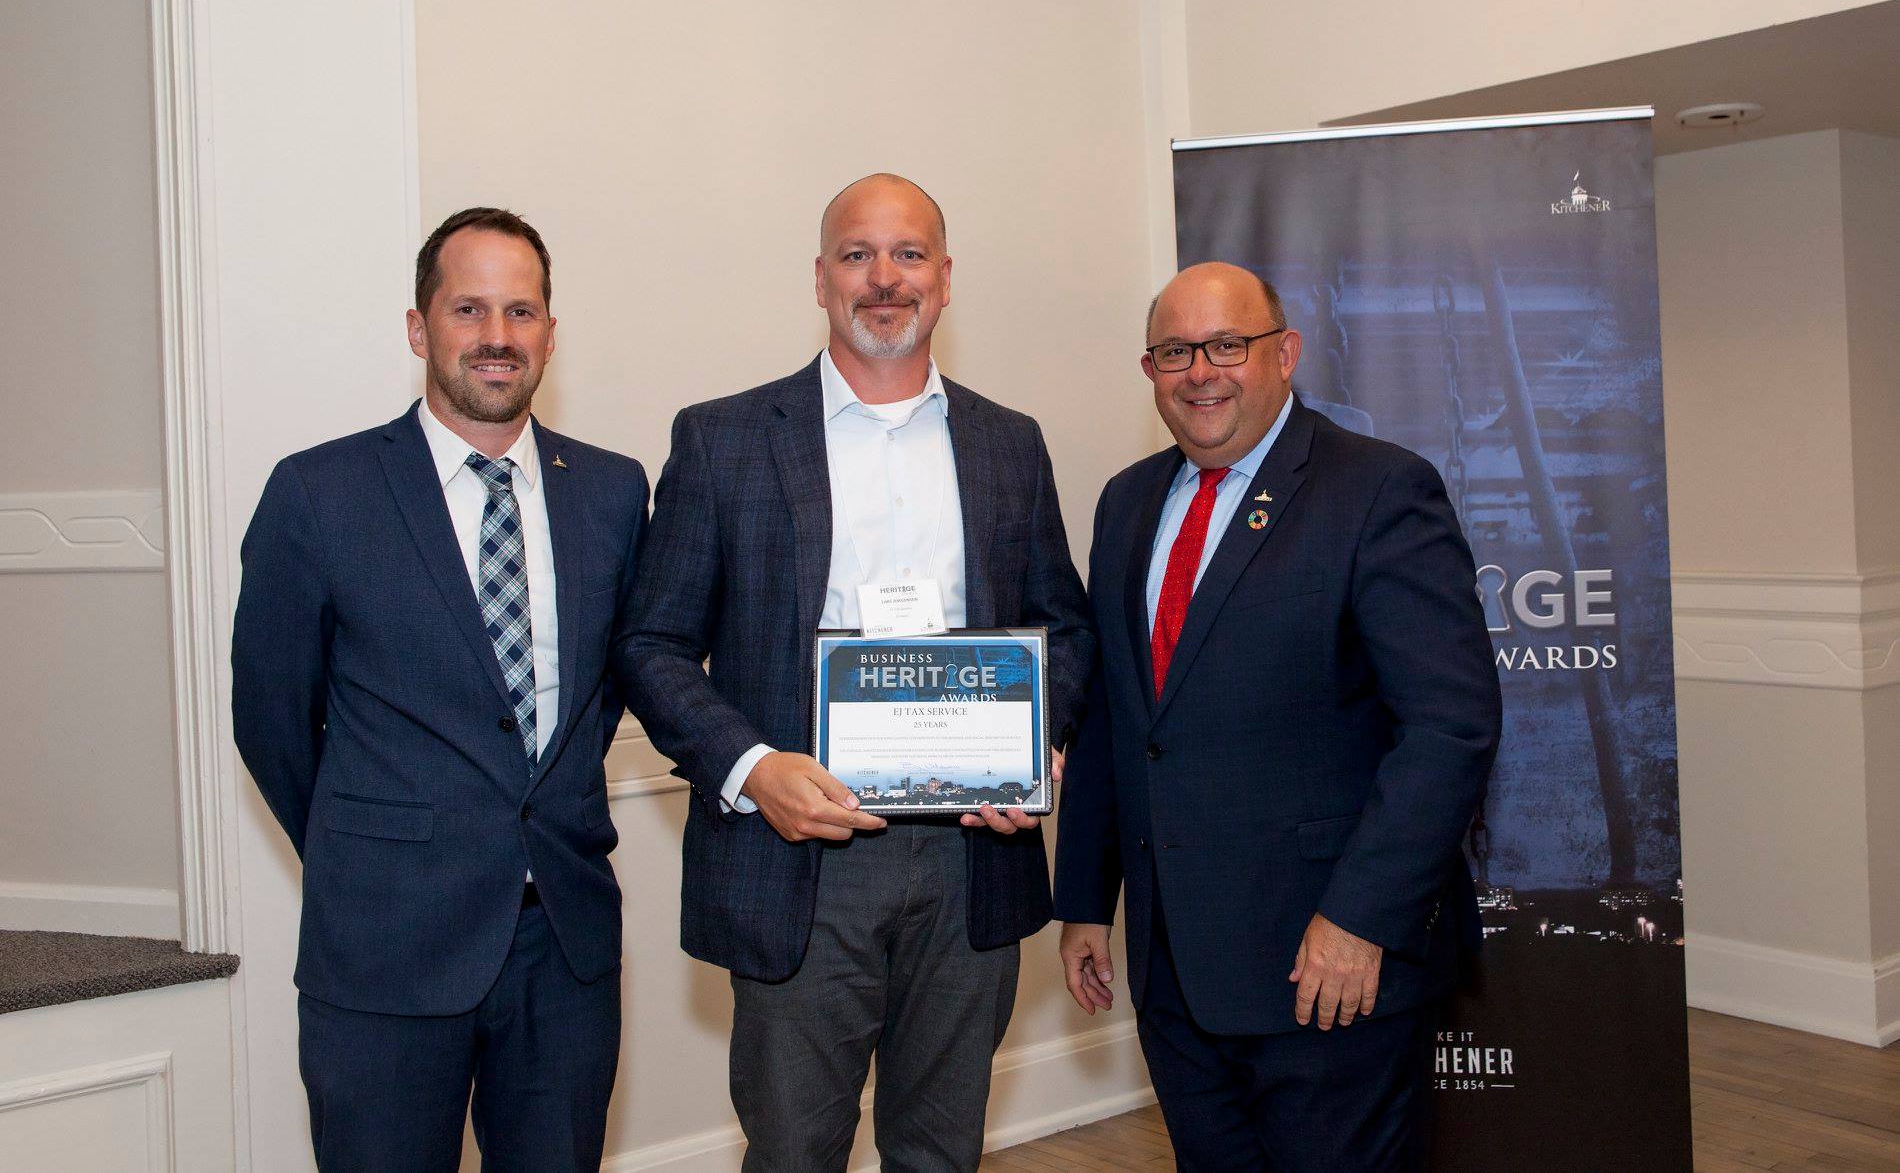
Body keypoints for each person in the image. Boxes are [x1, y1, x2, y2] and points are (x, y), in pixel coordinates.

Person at [618, 174, 1092, 1171]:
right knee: (793, 1149)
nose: (884, 279)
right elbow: (650, 645)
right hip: (802, 859)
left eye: (909, 254)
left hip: (972, 856)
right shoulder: (723, 439)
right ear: (821, 280)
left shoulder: (1010, 443)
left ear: (946, 278)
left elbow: (1065, 629)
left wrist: (1036, 748)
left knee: (940, 1148)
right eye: (857, 254)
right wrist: (751, 767)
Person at [1053, 262, 1501, 1170]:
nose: (1200, 372)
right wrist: (1085, 902)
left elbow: (1449, 726)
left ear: (1285, 353)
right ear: (1150, 371)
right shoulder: (1126, 503)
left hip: (1327, 970)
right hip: (1175, 968)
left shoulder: (1378, 490)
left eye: (1228, 345)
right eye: (1174, 351)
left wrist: (1362, 918)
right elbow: (1120, 718)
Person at [231, 207, 647, 1172]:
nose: (497, 336)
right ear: (420, 329)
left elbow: (601, 693)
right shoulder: (318, 493)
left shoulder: (615, 491)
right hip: (384, 946)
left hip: (565, 949)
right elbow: (273, 720)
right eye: (469, 309)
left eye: (521, 310)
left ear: (549, 330)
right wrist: (374, 842)